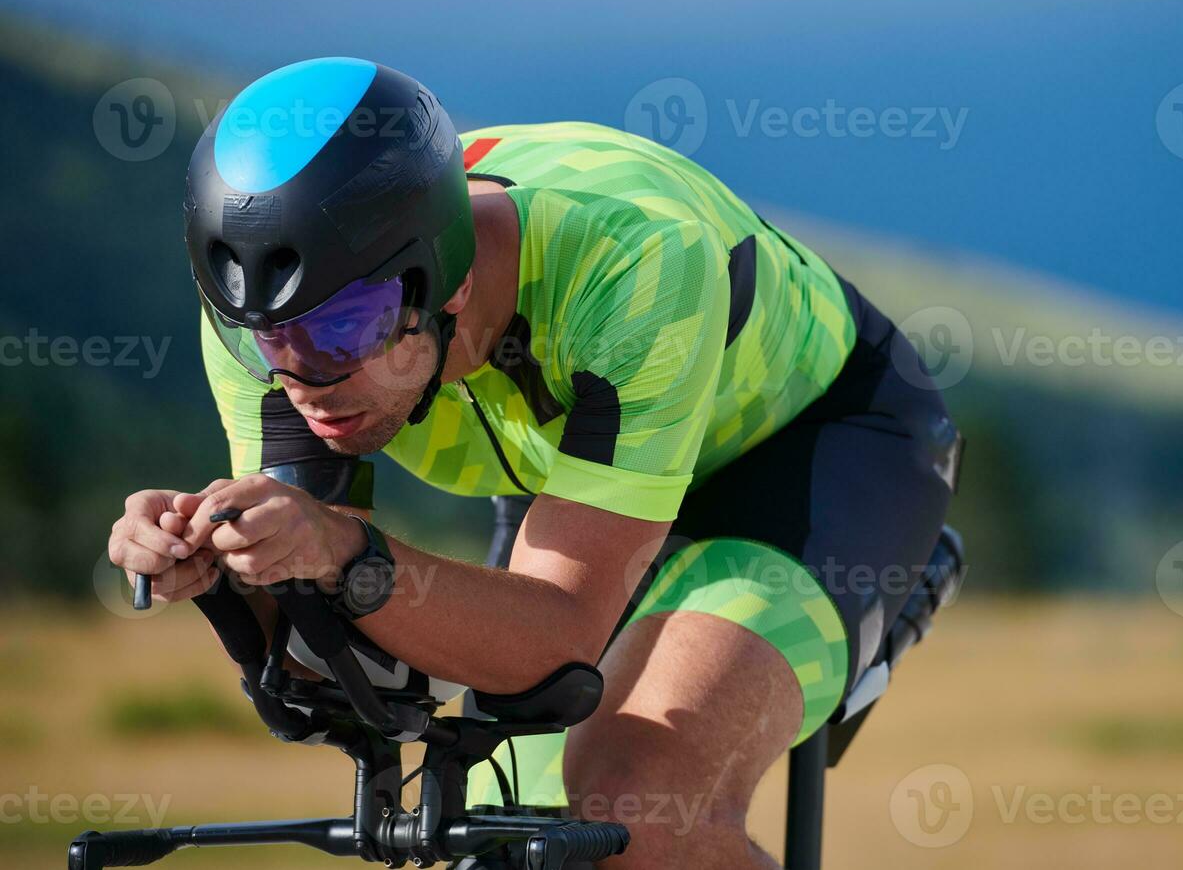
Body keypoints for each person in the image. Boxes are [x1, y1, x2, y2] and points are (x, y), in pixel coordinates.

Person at [108, 58, 959, 868]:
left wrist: (338, 550)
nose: (303, 379)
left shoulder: (634, 266)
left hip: (806, 455)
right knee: (516, 836)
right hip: (570, 473)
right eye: (264, 337)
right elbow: (335, 660)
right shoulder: (281, 325)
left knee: (634, 812)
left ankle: (890, 585)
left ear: (448, 284)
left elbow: (552, 636)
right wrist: (225, 568)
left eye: (344, 331)